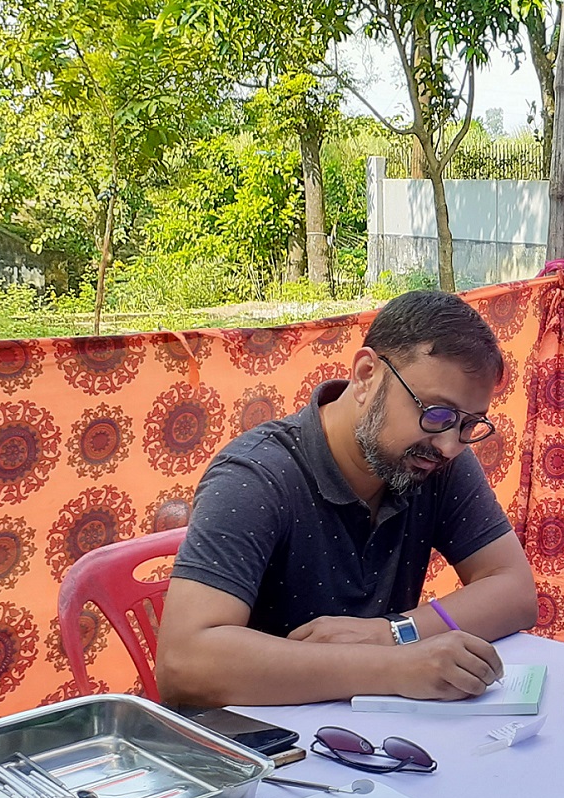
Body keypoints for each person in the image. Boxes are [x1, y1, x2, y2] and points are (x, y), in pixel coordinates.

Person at [156, 290, 539, 707]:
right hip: (262, 747)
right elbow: (184, 663)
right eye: (437, 414)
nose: (449, 444)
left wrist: (394, 632)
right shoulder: (258, 476)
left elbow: (514, 590)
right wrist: (395, 667)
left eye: (468, 424)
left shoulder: (436, 463)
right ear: (365, 374)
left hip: (370, 732)